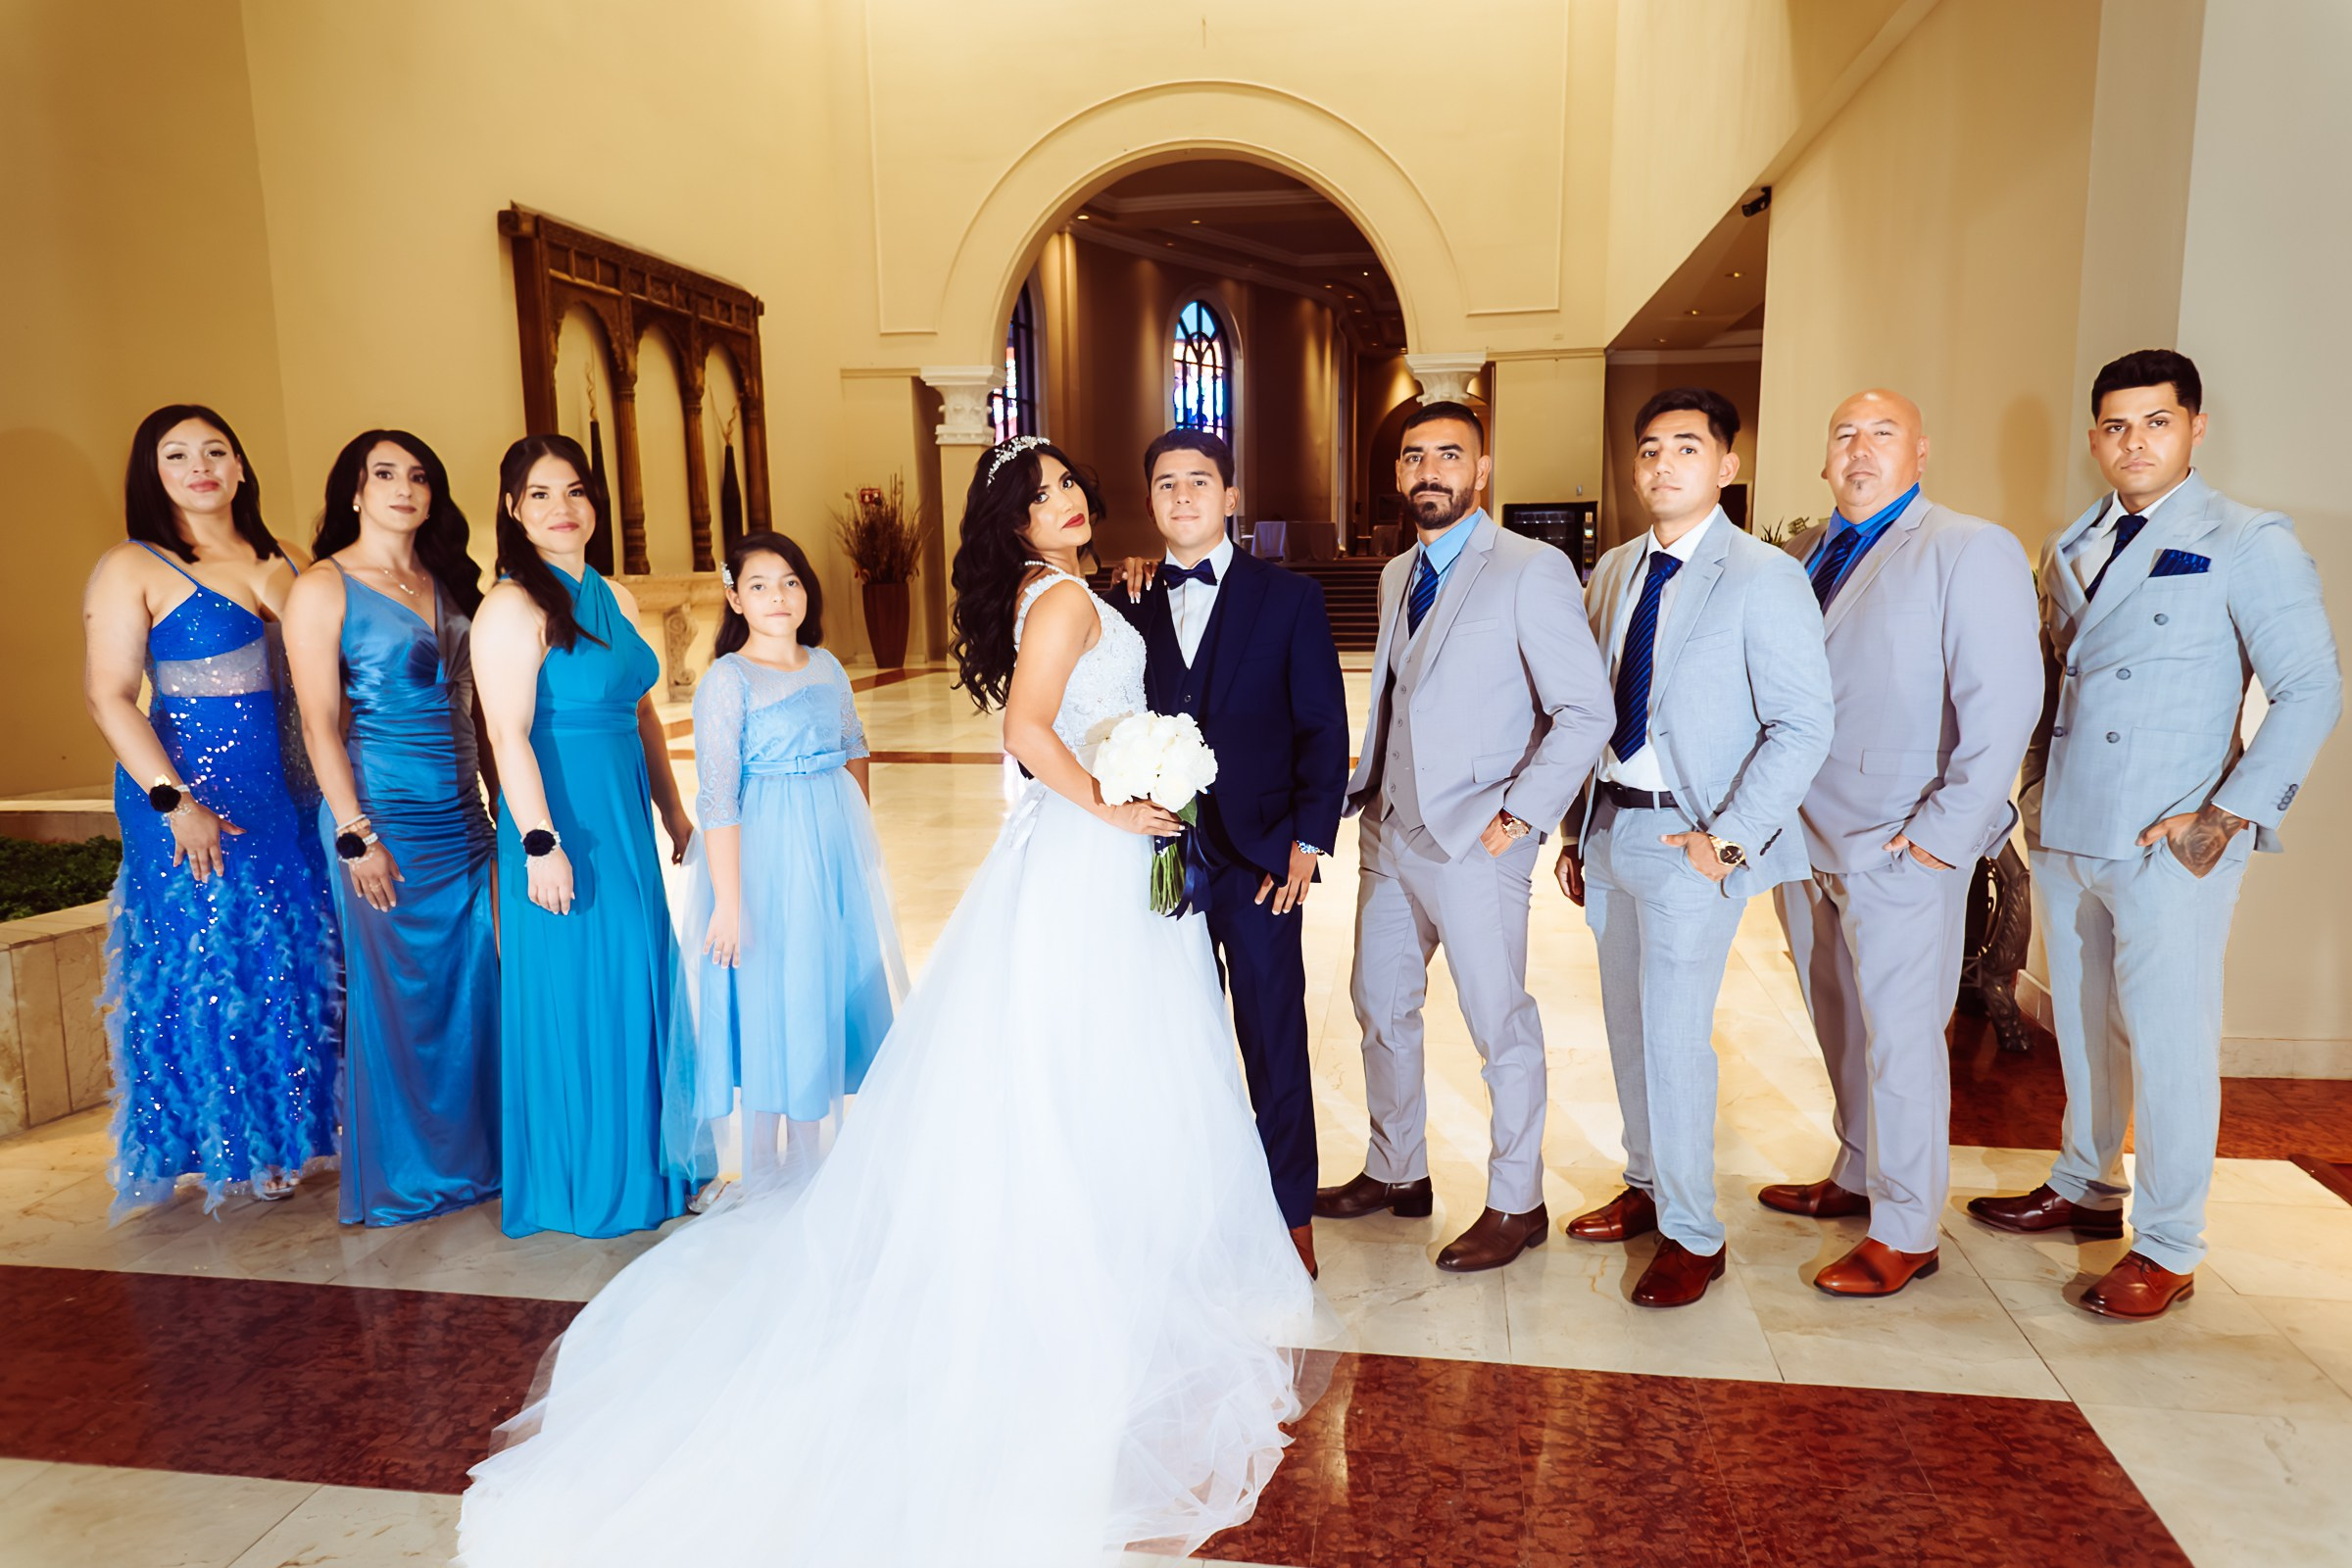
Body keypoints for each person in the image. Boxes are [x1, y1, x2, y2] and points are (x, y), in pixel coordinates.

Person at [458, 435, 1332, 1566]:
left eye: (1069, 485)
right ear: (1015, 524)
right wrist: (1118, 806)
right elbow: (1028, 732)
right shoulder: (1062, 600)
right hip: (1088, 852)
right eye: (1040, 494)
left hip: (1077, 857)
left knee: (1074, 1055)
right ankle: (1099, 1259)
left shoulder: (1066, 589)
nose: (1065, 501)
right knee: (1099, 1050)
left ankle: (1099, 1233)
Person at [1972, 349, 2342, 1320]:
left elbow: (2312, 689)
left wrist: (2222, 819)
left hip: (2170, 842)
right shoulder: (2073, 543)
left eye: (2157, 421)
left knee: (2172, 1043)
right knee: (2087, 1028)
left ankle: (2170, 1244)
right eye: (2116, 425)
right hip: (2071, 830)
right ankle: (2089, 1182)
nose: (2135, 442)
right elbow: (2059, 686)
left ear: (2196, 428)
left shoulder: (2247, 538)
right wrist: (2036, 794)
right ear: (2096, 436)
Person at [1316, 400, 1613, 1273]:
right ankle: (1396, 1171)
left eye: (1450, 455)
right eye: (1414, 457)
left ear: (1480, 471)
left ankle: (1517, 1202)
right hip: (1390, 830)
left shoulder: (1531, 569)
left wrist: (1517, 818)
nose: (1429, 471)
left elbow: (1584, 709)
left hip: (1477, 844)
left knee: (1499, 1024)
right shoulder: (1397, 572)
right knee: (1380, 1008)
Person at [1555, 388, 1834, 1308]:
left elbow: (1801, 724)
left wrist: (1728, 840)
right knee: (1629, 1026)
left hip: (1691, 839)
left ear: (1726, 466)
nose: (1662, 464)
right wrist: (1574, 827)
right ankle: (1644, 1185)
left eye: (1685, 447)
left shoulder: (1763, 576)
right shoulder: (1613, 572)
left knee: (1676, 1038)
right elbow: (1592, 711)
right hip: (1611, 829)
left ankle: (1692, 1233)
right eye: (1648, 450)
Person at [1763, 391, 2041, 1297]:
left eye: (1882, 434)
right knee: (1837, 1017)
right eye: (1843, 433)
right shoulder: (1802, 557)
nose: (1860, 450)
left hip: (1901, 842)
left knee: (1902, 1038)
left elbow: (2004, 710)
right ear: (1823, 457)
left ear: (1920, 452)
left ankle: (1907, 1226)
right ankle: (1855, 1169)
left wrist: (1941, 841)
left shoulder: (1970, 549)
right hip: (1800, 839)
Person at [80, 404, 340, 1217]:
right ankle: (238, 1143)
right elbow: (108, 696)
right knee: (215, 961)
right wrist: (173, 801)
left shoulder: (288, 558)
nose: (200, 466)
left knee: (294, 955)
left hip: (288, 786)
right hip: (193, 793)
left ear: (239, 464)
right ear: (152, 473)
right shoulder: (134, 564)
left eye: (215, 450)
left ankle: (300, 1130)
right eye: (177, 454)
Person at [1109, 429, 1349, 1276]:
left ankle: (1290, 1216)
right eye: (1166, 484)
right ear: (1150, 502)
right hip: (1156, 861)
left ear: (1231, 497)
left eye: (1199, 482)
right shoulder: (1120, 603)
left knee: (1273, 1035)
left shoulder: (1288, 599)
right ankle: (1189, 1204)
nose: (1182, 497)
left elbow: (1324, 728)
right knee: (1174, 1038)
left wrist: (1307, 843)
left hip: (1257, 861)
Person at [471, 434, 701, 1240]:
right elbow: (507, 736)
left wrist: (673, 807)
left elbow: (642, 712)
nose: (561, 509)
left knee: (638, 977)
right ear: (511, 509)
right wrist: (538, 842)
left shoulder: (617, 595)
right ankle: (587, 1178)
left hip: (625, 815)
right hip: (558, 818)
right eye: (539, 495)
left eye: (574, 491)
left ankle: (654, 1159)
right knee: (578, 990)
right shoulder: (510, 607)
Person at [284, 429, 501, 1227]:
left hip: (466, 822)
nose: (404, 488)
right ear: (354, 491)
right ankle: (413, 1174)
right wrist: (354, 833)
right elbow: (317, 723)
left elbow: (480, 706)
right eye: (385, 475)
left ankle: (483, 1157)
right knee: (403, 1002)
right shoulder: (323, 587)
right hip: (385, 822)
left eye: (418, 476)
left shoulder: (448, 579)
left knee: (475, 988)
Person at [672, 529, 906, 1195]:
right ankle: (774, 1171)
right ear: (733, 597)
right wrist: (729, 900)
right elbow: (717, 796)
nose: (778, 596)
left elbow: (854, 744)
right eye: (759, 585)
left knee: (820, 988)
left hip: (824, 847)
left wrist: (851, 837)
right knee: (775, 995)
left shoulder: (826, 665)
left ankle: (815, 1156)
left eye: (790, 582)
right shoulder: (728, 680)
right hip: (763, 856)